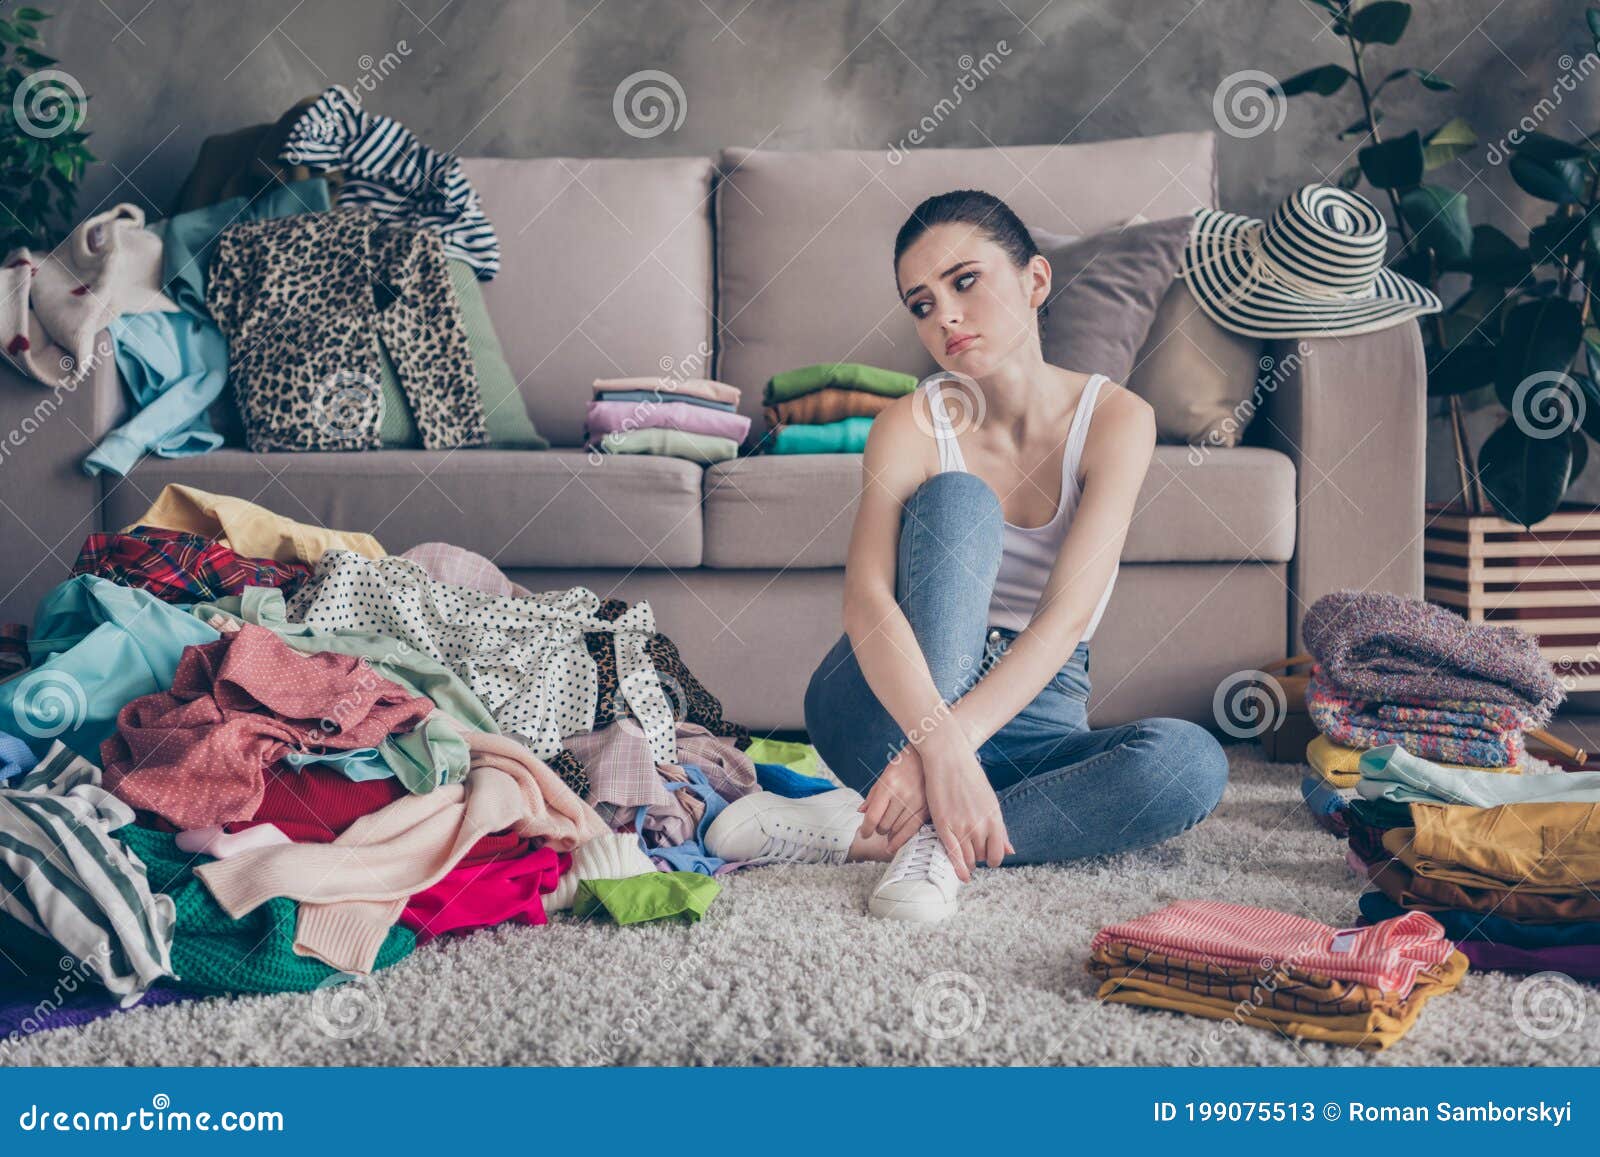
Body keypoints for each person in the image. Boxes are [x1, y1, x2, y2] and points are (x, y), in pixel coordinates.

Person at [704, 189, 1229, 922]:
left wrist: (954, 749)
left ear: (1036, 281)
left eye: (965, 281)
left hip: (1033, 716)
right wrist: (936, 742)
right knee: (961, 500)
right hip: (884, 704)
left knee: (1192, 763)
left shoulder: (1116, 419)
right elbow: (866, 602)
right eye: (920, 304)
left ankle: (892, 836)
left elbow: (1066, 615)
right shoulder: (908, 423)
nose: (943, 314)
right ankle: (941, 810)